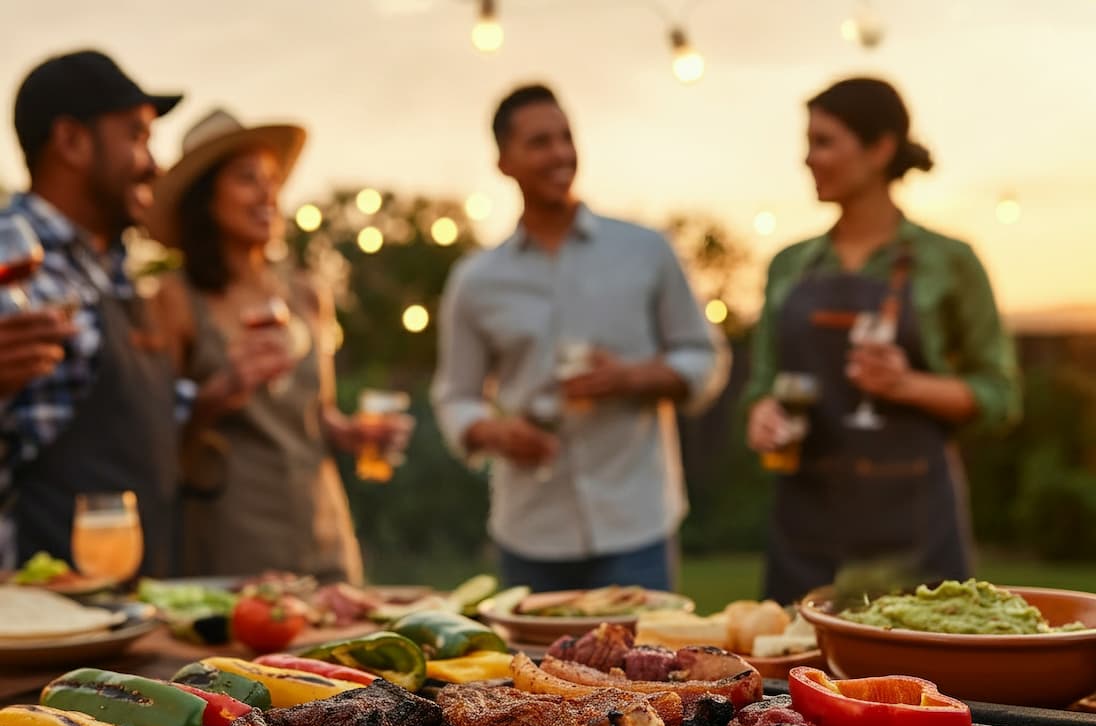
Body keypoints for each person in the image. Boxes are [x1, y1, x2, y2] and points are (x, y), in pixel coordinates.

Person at [432, 84, 727, 593]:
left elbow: (704, 355)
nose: (561, 154)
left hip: (636, 524)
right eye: (540, 142)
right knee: (537, 675)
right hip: (531, 529)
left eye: (566, 138)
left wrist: (631, 376)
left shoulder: (645, 250)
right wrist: (492, 433)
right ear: (504, 161)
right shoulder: (476, 279)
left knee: (649, 674)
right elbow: (455, 394)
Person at [744, 76, 1021, 605]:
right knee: (791, 681)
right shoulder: (789, 267)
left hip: (916, 534)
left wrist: (908, 385)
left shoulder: (951, 261)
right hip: (805, 530)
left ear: (880, 148)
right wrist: (761, 415)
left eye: (824, 142)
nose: (808, 159)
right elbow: (761, 384)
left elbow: (1000, 396)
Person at [147, 109, 407, 582]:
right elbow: (153, 427)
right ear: (206, 199)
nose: (269, 193)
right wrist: (220, 392)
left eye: (271, 179)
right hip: (232, 535)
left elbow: (317, 412)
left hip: (322, 527)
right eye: (247, 179)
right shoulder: (175, 298)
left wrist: (353, 433)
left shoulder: (307, 292)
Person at [0, 50, 186, 574]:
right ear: (71, 142)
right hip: (43, 617)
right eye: (136, 136)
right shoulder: (9, 260)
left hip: (134, 609)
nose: (154, 162)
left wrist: (220, 392)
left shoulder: (114, 268)